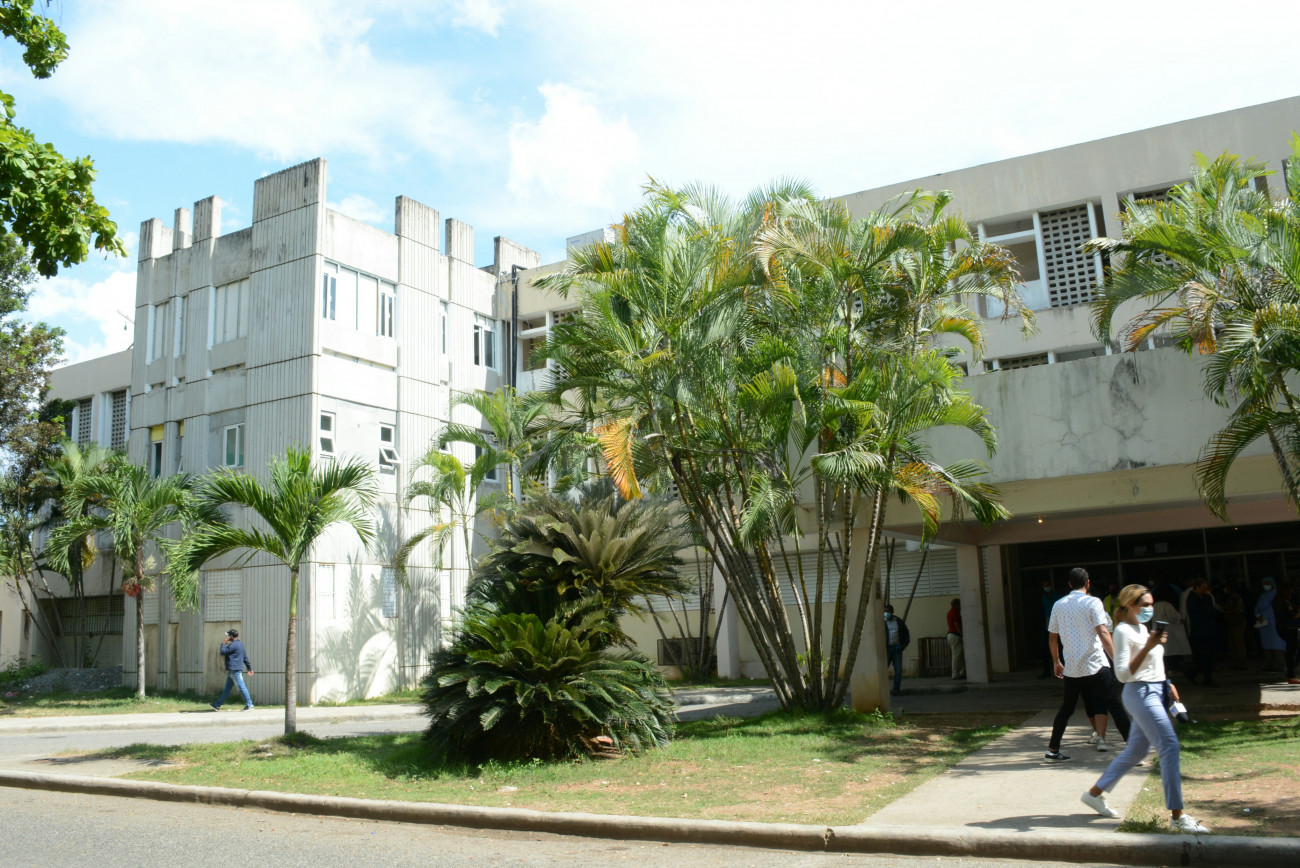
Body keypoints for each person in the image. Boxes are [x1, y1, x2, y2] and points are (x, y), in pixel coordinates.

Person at [1080, 584, 1208, 834]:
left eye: (1151, 604)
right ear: (1130, 605)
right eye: (1145, 605)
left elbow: (1153, 664)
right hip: (1139, 693)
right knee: (1169, 746)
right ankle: (1178, 816)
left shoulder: (1143, 629)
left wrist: (1168, 684)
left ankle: (1094, 794)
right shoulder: (1123, 631)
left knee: (1136, 752)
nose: (1150, 608)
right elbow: (1122, 674)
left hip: (1157, 690)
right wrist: (1149, 646)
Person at [1044, 567, 1130, 760]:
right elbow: (1103, 632)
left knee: (1067, 708)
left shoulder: (1058, 604)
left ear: (1069, 584)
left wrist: (1057, 661)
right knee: (1114, 705)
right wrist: (1116, 659)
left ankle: (1053, 749)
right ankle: (1134, 750)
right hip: (1095, 664)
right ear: (1088, 583)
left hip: (1072, 667)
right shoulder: (1093, 602)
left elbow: (1052, 637)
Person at [1184, 579, 1220, 687]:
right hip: (1199, 631)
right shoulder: (1192, 598)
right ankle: (1199, 675)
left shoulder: (1206, 597)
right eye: (1203, 588)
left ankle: (1204, 676)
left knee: (1208, 656)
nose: (1205, 590)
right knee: (1203, 656)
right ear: (1197, 587)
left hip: (1208, 631)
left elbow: (1211, 611)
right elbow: (1196, 613)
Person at [210, 628, 255, 711]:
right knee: (227, 689)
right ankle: (217, 705)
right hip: (233, 671)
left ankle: (249, 704)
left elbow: (223, 652)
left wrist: (223, 643)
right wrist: (249, 668)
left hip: (235, 670)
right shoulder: (240, 645)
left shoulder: (233, 645)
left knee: (242, 687)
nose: (227, 637)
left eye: (228, 636)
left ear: (231, 636)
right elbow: (245, 657)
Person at [1255, 578, 1287, 673]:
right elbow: (1257, 608)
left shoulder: (1277, 595)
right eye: (1264, 584)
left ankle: (1279, 664)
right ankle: (1269, 664)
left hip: (1274, 623)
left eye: (1268, 583)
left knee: (1276, 644)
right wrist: (1258, 616)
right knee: (1266, 645)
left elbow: (1274, 609)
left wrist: (1263, 616)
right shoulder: (1263, 596)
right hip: (1264, 624)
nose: (1266, 585)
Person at [883, 604, 911, 696]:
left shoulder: (898, 622)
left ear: (892, 612)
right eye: (885, 611)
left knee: (898, 670)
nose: (886, 613)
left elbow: (906, 632)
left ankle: (896, 689)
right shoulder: (881, 622)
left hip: (897, 648)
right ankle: (883, 689)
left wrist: (904, 645)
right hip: (887, 649)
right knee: (883, 670)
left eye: (888, 611)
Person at [946, 598, 965, 680]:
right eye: (960, 604)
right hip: (955, 636)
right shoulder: (955, 613)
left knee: (958, 655)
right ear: (957, 605)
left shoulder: (950, 613)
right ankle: (955, 673)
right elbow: (957, 625)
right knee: (957, 655)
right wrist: (962, 634)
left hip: (951, 635)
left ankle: (960, 672)